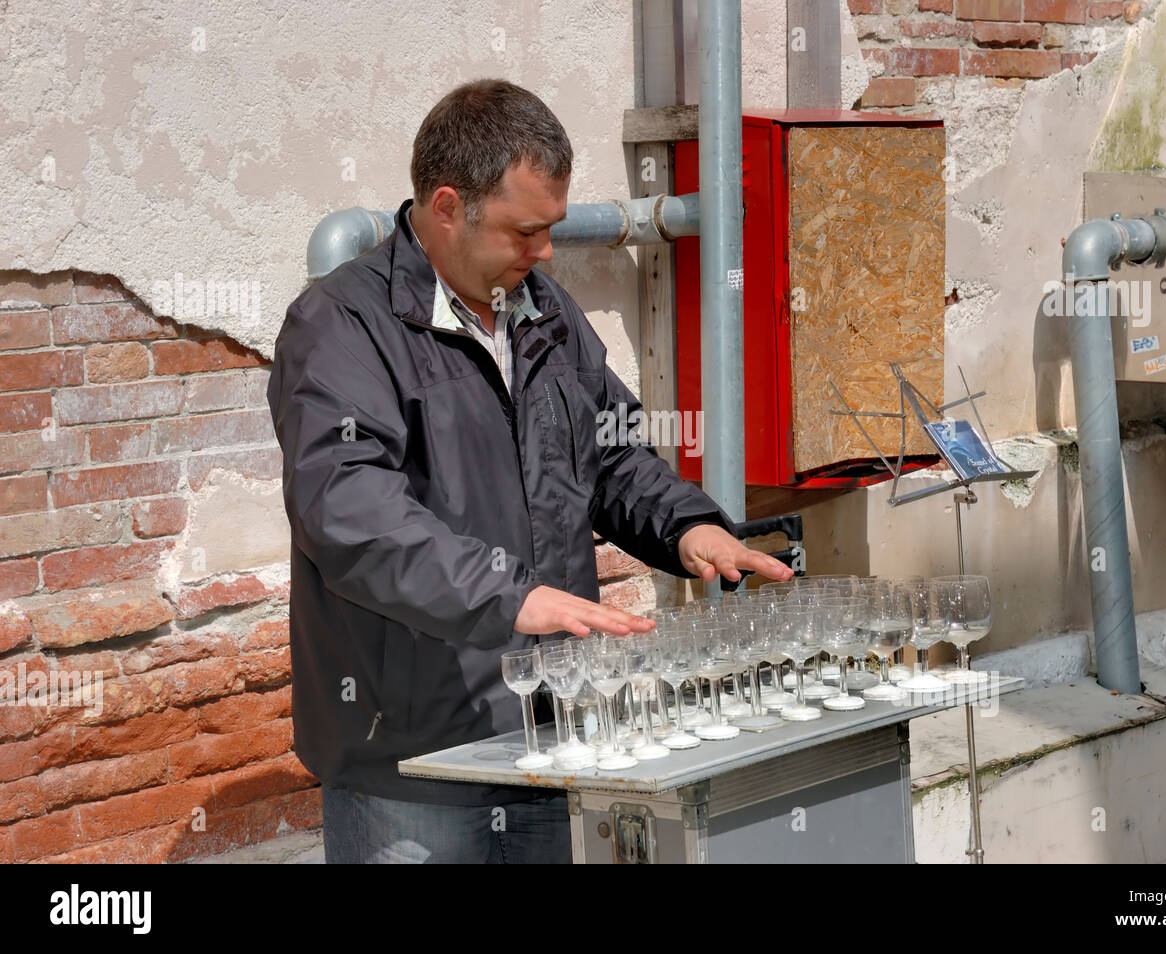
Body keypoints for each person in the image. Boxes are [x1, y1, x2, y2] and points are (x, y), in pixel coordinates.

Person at [266, 78, 792, 864]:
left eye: (550, 229)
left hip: (552, 733)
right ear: (448, 208)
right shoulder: (340, 327)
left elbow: (610, 451)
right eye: (525, 232)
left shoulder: (544, 311)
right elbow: (349, 510)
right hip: (413, 761)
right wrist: (509, 597)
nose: (546, 251)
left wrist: (689, 527)